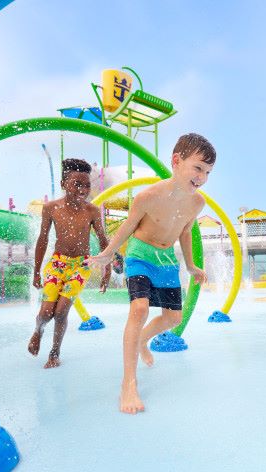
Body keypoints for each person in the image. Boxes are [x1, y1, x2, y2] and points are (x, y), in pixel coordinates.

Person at [90, 133, 214, 414]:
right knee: (139, 309)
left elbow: (184, 231)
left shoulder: (197, 204)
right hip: (140, 256)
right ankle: (128, 384)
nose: (202, 177)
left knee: (173, 317)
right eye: (198, 168)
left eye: (207, 172)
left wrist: (192, 266)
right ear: (176, 161)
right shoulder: (148, 196)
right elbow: (127, 227)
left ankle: (143, 340)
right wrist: (110, 251)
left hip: (166, 259)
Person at [28, 158, 111, 368]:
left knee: (61, 311)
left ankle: (54, 353)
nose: (83, 189)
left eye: (87, 185)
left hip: (81, 266)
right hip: (57, 264)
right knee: (46, 313)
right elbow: (43, 239)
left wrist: (107, 268)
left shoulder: (92, 210)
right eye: (77, 184)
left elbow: (102, 239)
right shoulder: (51, 208)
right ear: (64, 183)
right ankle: (38, 330)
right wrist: (36, 271)